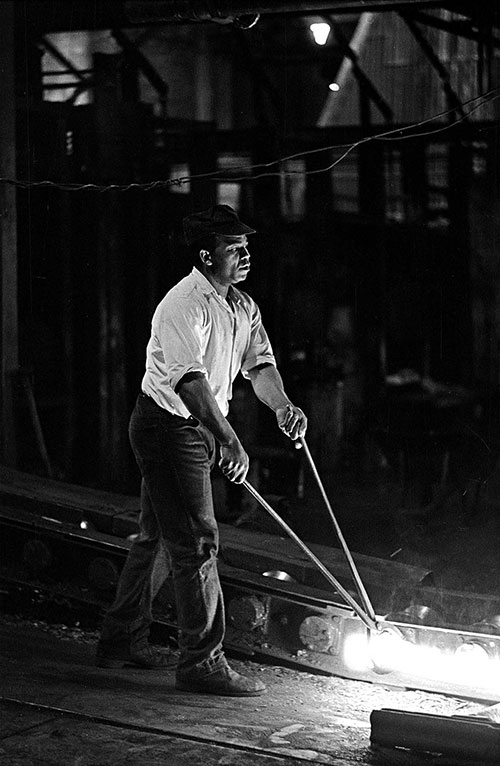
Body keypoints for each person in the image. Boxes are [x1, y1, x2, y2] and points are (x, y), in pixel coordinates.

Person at [95, 204, 307, 696]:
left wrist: (282, 406)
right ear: (206, 255)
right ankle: (202, 663)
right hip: (167, 427)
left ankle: (119, 640)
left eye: (246, 246)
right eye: (235, 249)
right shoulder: (182, 305)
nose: (246, 255)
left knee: (156, 537)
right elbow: (190, 382)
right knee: (197, 541)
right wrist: (229, 438)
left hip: (192, 427)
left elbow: (260, 367)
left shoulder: (242, 306)